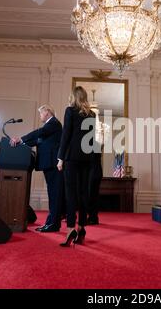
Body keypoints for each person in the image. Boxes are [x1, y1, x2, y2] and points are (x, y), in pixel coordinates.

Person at [11, 105, 65, 233]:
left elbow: (39, 133)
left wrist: (21, 138)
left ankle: (53, 224)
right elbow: (38, 140)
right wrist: (22, 143)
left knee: (55, 194)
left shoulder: (53, 123)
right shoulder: (50, 127)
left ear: (47, 112)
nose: (40, 116)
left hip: (53, 164)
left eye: (41, 113)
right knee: (52, 194)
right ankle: (50, 222)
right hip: (49, 163)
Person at [57, 86, 96, 247]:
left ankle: (71, 228)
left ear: (73, 97)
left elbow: (66, 135)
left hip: (72, 157)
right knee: (83, 193)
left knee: (71, 193)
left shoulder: (70, 111)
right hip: (87, 158)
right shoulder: (92, 114)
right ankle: (82, 228)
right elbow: (92, 139)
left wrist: (60, 158)